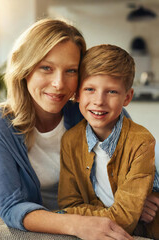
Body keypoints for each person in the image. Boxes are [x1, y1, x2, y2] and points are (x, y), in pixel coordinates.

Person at [0, 19, 133, 240]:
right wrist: (77, 225)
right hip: (56, 228)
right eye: (46, 68)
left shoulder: (93, 110)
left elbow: (138, 160)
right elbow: (11, 206)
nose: (59, 83)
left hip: (102, 219)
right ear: (24, 67)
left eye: (71, 71)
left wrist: (147, 193)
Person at [58, 44, 158, 238]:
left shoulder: (141, 142)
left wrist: (73, 216)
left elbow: (125, 220)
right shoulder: (70, 141)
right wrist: (112, 212)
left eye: (111, 92)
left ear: (127, 97)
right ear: (77, 94)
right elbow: (67, 204)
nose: (99, 101)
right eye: (90, 89)